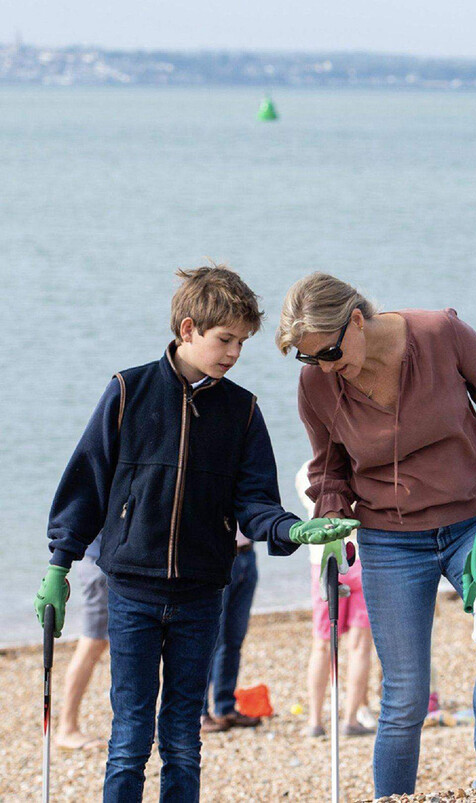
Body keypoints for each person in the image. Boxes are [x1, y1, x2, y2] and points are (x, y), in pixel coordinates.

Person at [33, 263, 350, 803]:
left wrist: (296, 531)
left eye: (242, 343)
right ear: (187, 330)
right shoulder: (127, 392)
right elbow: (85, 482)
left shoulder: (242, 411)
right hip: (131, 591)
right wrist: (60, 565)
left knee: (182, 738)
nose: (233, 353)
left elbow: (256, 505)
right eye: (224, 339)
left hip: (203, 595)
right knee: (130, 738)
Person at [276, 273, 476, 796]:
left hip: (472, 520)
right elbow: (328, 469)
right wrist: (331, 521)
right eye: (310, 358)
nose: (325, 366)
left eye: (328, 351)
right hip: (390, 539)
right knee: (406, 695)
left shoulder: (440, 333)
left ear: (355, 320)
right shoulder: (317, 384)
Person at [294, 462, 376, 739]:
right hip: (359, 556)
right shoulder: (355, 465)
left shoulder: (306, 472)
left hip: (324, 559)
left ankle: (315, 721)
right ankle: (349, 719)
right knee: (359, 645)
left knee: (322, 645)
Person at [200, 527, 263, 733]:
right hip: (215, 554)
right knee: (208, 639)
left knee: (234, 638)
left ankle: (225, 707)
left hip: (247, 553)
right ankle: (199, 713)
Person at [55, 534, 109, 751]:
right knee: (92, 643)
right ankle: (66, 728)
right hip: (100, 566)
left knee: (103, 643)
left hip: (100, 563)